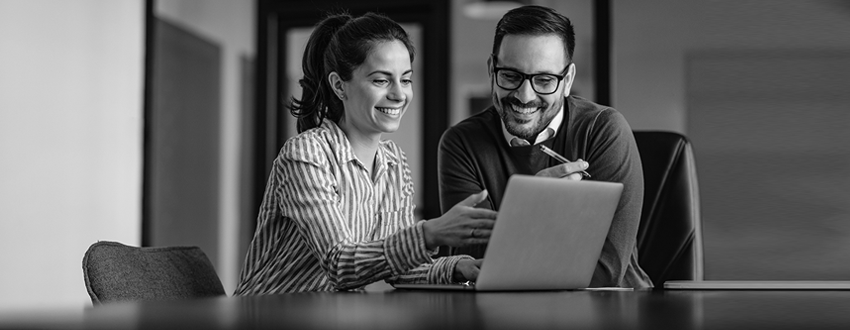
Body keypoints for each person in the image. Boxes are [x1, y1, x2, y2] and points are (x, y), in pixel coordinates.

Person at [235, 12, 497, 295]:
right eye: (381, 80)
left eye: (406, 80)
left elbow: (397, 266)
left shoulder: (395, 163)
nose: (399, 94)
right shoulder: (306, 154)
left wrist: (458, 267)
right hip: (267, 314)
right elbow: (340, 264)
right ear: (339, 85)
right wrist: (430, 233)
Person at [438, 5, 653, 288]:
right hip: (503, 312)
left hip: (611, 308)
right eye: (511, 76)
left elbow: (605, 269)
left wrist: (515, 234)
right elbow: (479, 266)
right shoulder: (461, 143)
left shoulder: (604, 130)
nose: (525, 96)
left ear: (568, 81)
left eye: (544, 80)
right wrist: (534, 206)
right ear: (492, 70)